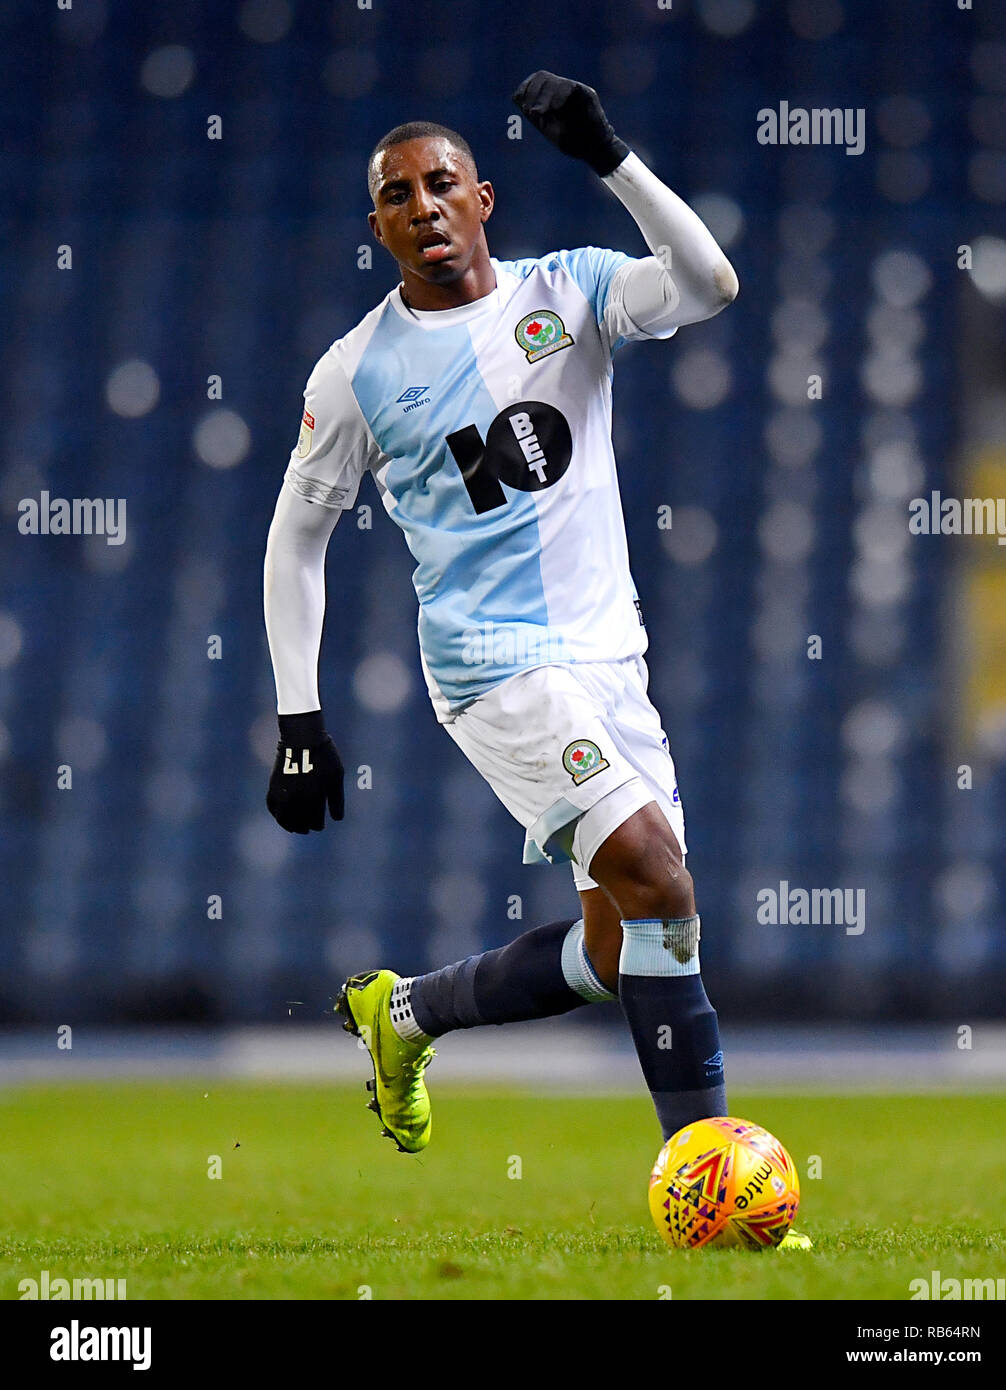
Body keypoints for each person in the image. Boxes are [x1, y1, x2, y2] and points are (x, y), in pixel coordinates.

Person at [265, 70, 747, 1178]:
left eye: (441, 184)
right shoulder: (355, 373)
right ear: (376, 224)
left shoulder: (570, 291)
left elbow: (710, 283)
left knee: (630, 947)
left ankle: (407, 1015)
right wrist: (299, 719)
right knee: (661, 884)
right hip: (492, 666)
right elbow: (294, 539)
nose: (422, 205)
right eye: (397, 194)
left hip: (607, 654)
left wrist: (608, 155)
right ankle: (706, 1171)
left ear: (483, 199)